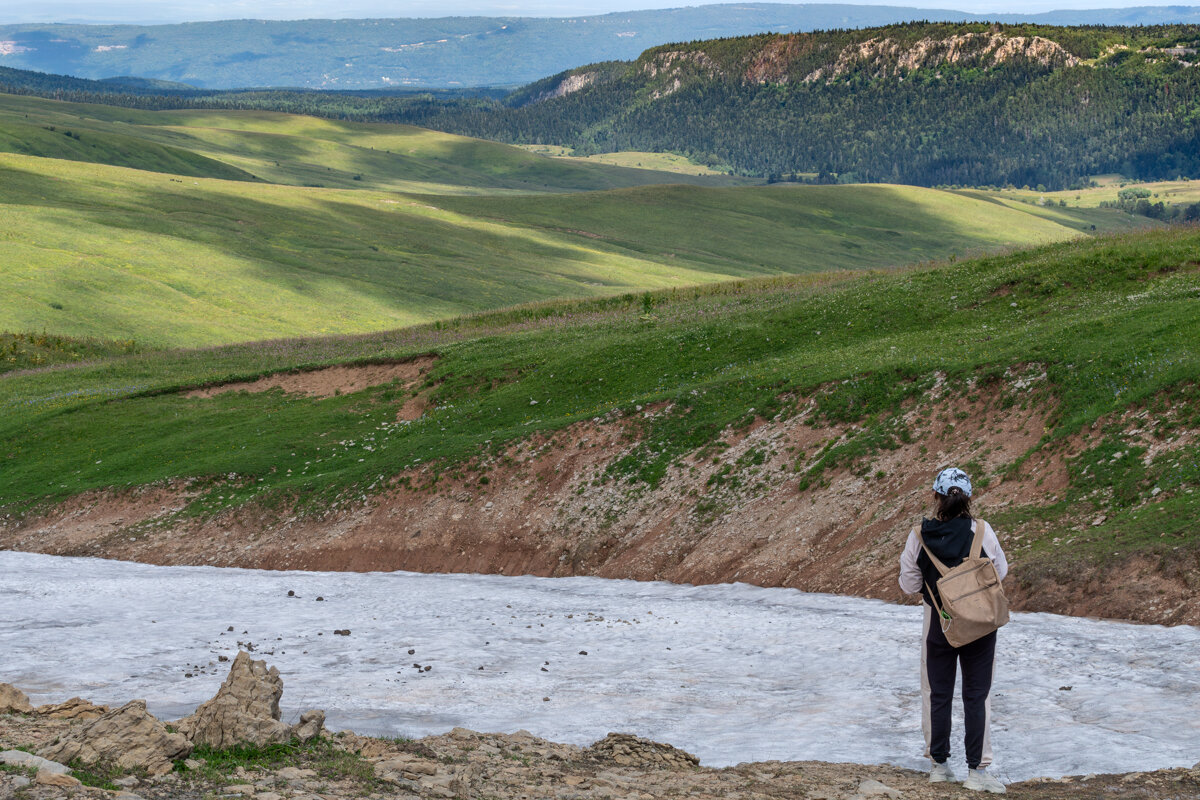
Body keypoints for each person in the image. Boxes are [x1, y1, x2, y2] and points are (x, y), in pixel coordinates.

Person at [899, 467, 1009, 794]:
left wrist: (936, 591)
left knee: (937, 692)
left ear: (936, 496)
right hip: (980, 624)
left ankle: (939, 766)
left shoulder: (919, 535)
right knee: (978, 695)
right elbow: (999, 571)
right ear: (969, 497)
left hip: (939, 622)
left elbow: (908, 584)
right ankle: (977, 771)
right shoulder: (983, 532)